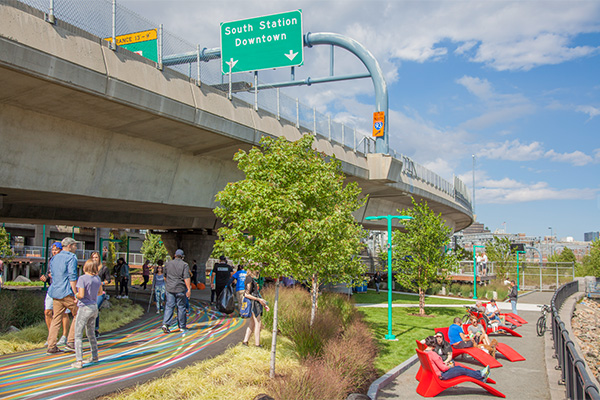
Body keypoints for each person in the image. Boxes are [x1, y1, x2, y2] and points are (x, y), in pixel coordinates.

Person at [46, 237, 79, 354]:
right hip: (67, 292)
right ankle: (71, 341)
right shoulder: (71, 257)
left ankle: (51, 345)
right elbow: (72, 276)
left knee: (56, 318)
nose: (76, 248)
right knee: (78, 314)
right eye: (75, 245)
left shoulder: (54, 258)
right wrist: (76, 293)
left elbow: (53, 275)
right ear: (69, 246)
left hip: (55, 292)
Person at [71, 259, 102, 368]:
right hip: (94, 306)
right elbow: (100, 292)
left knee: (78, 334)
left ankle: (79, 360)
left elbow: (81, 294)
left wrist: (76, 295)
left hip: (84, 307)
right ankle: (94, 355)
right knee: (91, 333)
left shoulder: (82, 278)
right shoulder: (97, 279)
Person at [40, 242, 71, 346]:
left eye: (56, 250)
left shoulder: (66, 260)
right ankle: (52, 336)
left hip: (63, 289)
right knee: (47, 312)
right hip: (52, 289)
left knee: (64, 313)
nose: (54, 252)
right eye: (53, 250)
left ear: (61, 250)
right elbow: (49, 273)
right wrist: (46, 277)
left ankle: (65, 336)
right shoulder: (51, 261)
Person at [423, 336, 490, 382]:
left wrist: (445, 363)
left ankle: (480, 376)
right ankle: (480, 374)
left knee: (459, 368)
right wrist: (449, 366)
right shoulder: (433, 354)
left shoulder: (424, 352)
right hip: (442, 375)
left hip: (435, 373)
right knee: (462, 370)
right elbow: (443, 368)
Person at [161, 249, 191, 334]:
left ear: (174, 255)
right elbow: (186, 277)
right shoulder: (184, 265)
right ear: (182, 257)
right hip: (180, 288)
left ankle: (166, 324)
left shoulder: (167, 264)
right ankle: (182, 326)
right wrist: (188, 289)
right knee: (181, 307)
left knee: (169, 306)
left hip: (170, 288)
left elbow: (165, 276)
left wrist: (169, 284)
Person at [241, 270, 269, 347]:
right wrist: (259, 300)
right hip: (253, 303)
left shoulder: (254, 279)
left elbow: (257, 293)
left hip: (256, 302)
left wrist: (263, 303)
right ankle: (257, 344)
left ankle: (245, 341)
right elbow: (246, 294)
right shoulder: (249, 278)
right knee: (258, 323)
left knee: (252, 322)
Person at [94, 251, 110, 338]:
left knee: (95, 308)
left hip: (100, 292)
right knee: (91, 310)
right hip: (91, 292)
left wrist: (101, 283)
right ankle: (90, 329)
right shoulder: (89, 268)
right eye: (93, 257)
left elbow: (108, 280)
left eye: (96, 257)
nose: (94, 259)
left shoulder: (104, 268)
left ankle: (96, 329)